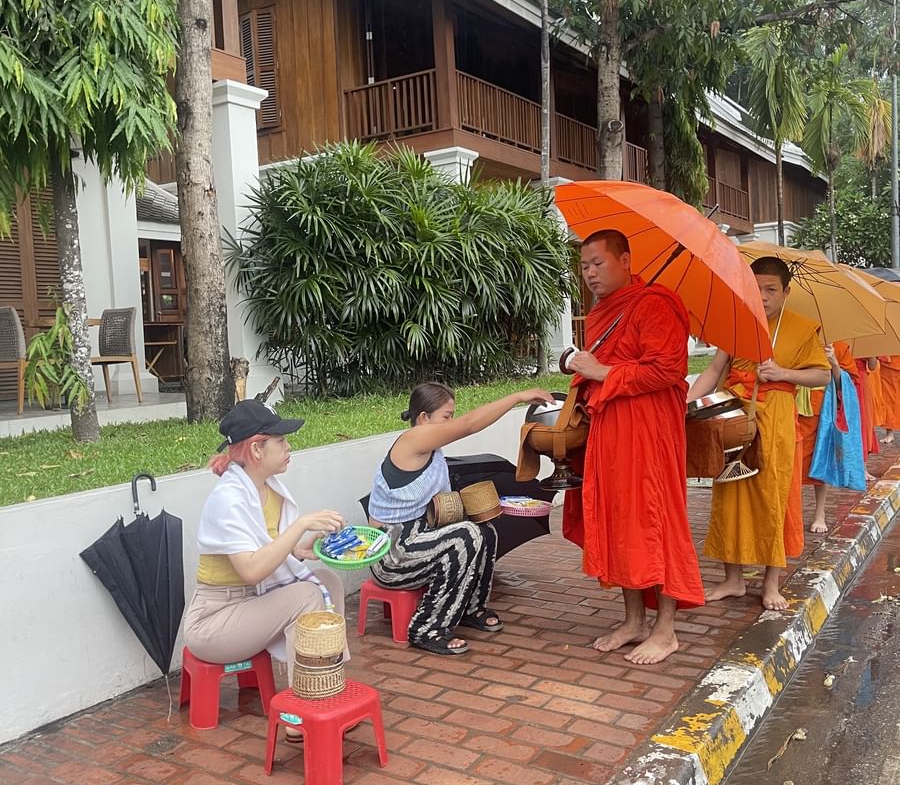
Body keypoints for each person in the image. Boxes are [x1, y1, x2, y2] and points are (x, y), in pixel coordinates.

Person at [561, 229, 705, 666]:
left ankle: (665, 630)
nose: (589, 273)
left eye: (598, 263)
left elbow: (667, 370)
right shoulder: (605, 310)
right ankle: (633, 620)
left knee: (654, 519)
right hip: (610, 429)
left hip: (649, 431)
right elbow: (605, 367)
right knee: (621, 518)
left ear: (625, 260)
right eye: (584, 265)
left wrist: (603, 372)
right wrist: (583, 372)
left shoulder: (656, 303)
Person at [183, 400, 347, 735]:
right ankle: (300, 717)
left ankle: (327, 685)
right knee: (305, 595)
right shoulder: (228, 498)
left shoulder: (267, 490)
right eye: (281, 441)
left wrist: (312, 543)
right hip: (215, 621)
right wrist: (300, 525)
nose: (289, 448)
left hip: (251, 605)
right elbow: (252, 570)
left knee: (327, 581)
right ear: (257, 449)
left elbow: (276, 552)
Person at [367, 382, 554, 656]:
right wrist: (518, 396)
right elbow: (469, 424)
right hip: (391, 552)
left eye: (452, 416)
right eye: (446, 416)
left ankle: (470, 607)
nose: (451, 423)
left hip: (419, 537)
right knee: (465, 536)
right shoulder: (413, 440)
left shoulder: (432, 451)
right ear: (424, 418)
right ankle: (426, 629)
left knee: (484, 528)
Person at [691, 257, 830, 610]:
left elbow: (822, 375)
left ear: (786, 291)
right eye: (756, 289)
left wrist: (784, 372)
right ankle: (733, 579)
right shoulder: (737, 324)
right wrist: (686, 403)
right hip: (735, 418)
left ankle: (771, 583)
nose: (763, 297)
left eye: (771, 290)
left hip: (777, 422)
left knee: (774, 500)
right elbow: (714, 370)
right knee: (730, 493)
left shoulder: (801, 328)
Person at [798, 341, 858, 534]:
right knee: (789, 465)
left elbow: (852, 382)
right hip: (790, 406)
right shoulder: (794, 338)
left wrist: (834, 363)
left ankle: (819, 513)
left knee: (821, 461)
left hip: (821, 410)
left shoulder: (837, 345)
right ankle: (791, 513)